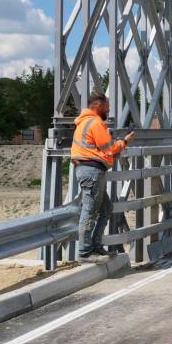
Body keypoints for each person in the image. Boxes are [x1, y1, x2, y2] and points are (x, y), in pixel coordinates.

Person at [71, 92, 134, 259]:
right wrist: (124, 142)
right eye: (107, 106)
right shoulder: (95, 123)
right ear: (98, 106)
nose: (109, 109)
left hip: (88, 170)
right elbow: (109, 148)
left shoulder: (84, 122)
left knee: (106, 208)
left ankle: (96, 246)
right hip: (91, 171)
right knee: (90, 211)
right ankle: (85, 252)